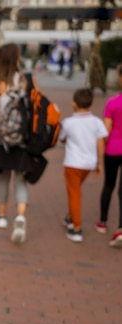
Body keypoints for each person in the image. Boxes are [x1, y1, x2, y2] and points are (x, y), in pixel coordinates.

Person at [0, 43, 40, 244]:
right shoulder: (28, 79)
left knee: (4, 177)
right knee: (20, 179)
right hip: (23, 138)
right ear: (17, 57)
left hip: (4, 139)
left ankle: (1, 217)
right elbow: (37, 104)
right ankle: (20, 215)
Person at [59, 88, 108, 243]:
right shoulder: (97, 123)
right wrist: (100, 162)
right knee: (76, 191)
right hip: (89, 164)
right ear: (92, 103)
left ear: (73, 103)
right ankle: (69, 216)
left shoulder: (68, 122)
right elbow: (101, 142)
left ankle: (76, 228)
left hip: (73, 163)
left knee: (74, 194)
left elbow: (62, 138)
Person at [97, 65, 122, 247]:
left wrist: (99, 153)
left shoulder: (112, 103)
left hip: (112, 149)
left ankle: (103, 222)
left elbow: (106, 130)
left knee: (109, 185)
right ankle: (120, 227)